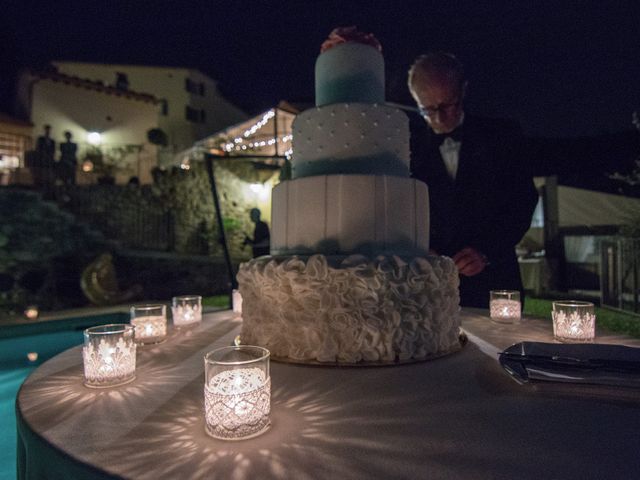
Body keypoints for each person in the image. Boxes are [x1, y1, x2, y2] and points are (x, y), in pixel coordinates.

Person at [407, 52, 538, 308]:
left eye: (447, 105)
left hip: (495, 282)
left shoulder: (503, 136)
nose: (439, 118)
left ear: (463, 91)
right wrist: (421, 248)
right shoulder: (408, 148)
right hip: (431, 286)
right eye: (428, 109)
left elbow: (523, 202)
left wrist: (486, 252)